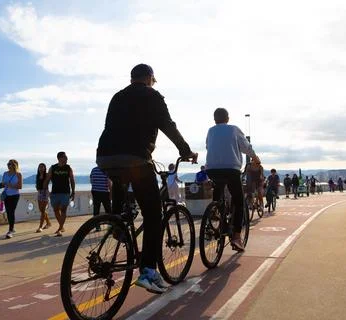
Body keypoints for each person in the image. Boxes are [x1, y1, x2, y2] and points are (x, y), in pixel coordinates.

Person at [96, 63, 197, 294]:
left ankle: (118, 225)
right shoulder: (153, 96)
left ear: (132, 78)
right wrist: (186, 150)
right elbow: (168, 126)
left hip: (105, 157)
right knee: (153, 215)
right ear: (150, 78)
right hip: (136, 159)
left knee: (123, 207)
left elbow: (110, 127)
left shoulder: (117, 96)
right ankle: (149, 272)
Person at [206, 107, 259, 252]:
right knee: (239, 200)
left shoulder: (210, 131)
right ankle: (236, 236)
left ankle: (216, 212)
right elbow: (246, 147)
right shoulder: (234, 129)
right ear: (227, 118)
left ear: (215, 119)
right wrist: (255, 157)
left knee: (218, 193)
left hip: (211, 169)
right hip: (231, 169)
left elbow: (207, 147)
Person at [44, 152, 76, 237]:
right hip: (55, 193)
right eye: (65, 157)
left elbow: (72, 180)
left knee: (63, 210)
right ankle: (61, 227)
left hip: (65, 192)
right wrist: (47, 191)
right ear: (59, 158)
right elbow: (47, 180)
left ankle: (60, 228)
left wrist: (73, 191)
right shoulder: (53, 168)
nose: (67, 159)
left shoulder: (68, 168)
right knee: (55, 210)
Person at [0, 159, 22, 239]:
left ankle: (10, 230)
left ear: (15, 165)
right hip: (6, 195)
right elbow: (3, 184)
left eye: (10, 164)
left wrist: (10, 185)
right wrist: (1, 184)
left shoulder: (18, 174)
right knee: (8, 212)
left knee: (11, 211)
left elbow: (20, 187)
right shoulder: (5, 173)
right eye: (8, 164)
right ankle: (12, 228)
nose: (9, 166)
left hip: (15, 195)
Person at [90, 166, 112, 231]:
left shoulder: (93, 170)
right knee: (108, 210)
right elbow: (109, 183)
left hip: (95, 192)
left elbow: (91, 180)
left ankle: (97, 227)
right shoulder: (106, 170)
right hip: (105, 192)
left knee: (96, 210)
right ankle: (111, 226)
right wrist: (111, 194)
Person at [35, 163, 51, 233]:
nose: (41, 168)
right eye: (40, 167)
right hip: (39, 193)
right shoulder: (37, 176)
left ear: (45, 168)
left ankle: (40, 227)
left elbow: (50, 182)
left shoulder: (47, 175)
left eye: (42, 167)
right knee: (41, 210)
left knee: (43, 210)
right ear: (38, 168)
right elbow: (37, 184)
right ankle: (48, 223)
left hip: (45, 193)